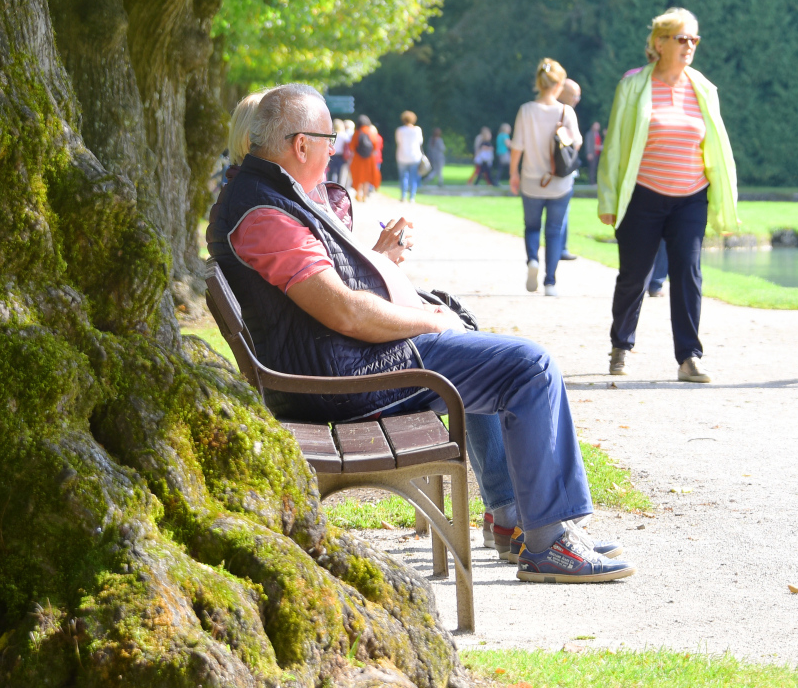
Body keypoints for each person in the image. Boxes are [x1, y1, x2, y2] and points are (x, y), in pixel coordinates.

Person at [207, 84, 634, 582]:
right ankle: (549, 543)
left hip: (342, 363)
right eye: (328, 139)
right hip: (342, 381)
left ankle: (521, 521)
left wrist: (382, 267)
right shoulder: (264, 212)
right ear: (301, 144)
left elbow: (324, 297)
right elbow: (344, 312)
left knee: (484, 349)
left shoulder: (269, 196)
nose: (334, 150)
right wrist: (433, 321)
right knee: (527, 365)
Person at [596, 8, 740, 383]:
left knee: (688, 273)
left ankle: (689, 357)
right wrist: (609, 200)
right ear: (659, 43)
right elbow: (614, 147)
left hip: (691, 197)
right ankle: (621, 346)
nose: (690, 45)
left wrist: (725, 205)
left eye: (695, 39)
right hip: (643, 195)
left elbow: (718, 152)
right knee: (634, 276)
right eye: (682, 39)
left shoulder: (703, 88)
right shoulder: (633, 85)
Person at [510, 60, 582, 297]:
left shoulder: (526, 110)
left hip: (531, 180)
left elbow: (517, 147)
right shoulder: (566, 111)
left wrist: (513, 173)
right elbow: (577, 143)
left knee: (532, 227)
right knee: (554, 231)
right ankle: (550, 283)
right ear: (560, 84)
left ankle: (532, 260)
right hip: (560, 183)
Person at [556, 79, 583, 263]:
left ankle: (558, 248)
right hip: (561, 170)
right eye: (574, 95)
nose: (577, 99)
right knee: (561, 212)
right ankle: (558, 249)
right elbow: (577, 142)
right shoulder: (566, 112)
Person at [347, 112, 384, 202]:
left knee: (358, 176)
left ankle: (358, 194)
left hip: (358, 158)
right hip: (369, 158)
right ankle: (365, 195)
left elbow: (352, 146)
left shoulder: (357, 132)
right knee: (367, 177)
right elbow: (375, 145)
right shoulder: (371, 132)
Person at [395, 111, 425, 204]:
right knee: (413, 177)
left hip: (402, 156)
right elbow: (420, 142)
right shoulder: (417, 130)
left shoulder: (400, 130)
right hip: (414, 156)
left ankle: (403, 196)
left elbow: (398, 141)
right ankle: (412, 197)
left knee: (403, 177)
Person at [326, 116, 352, 188]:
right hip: (341, 156)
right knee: (340, 174)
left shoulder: (332, 135)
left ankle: (330, 187)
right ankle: (339, 188)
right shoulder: (344, 135)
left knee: (331, 172)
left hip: (332, 155)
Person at [424, 127, 447, 192]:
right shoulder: (439, 140)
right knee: (439, 171)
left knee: (436, 170)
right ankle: (440, 182)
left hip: (433, 157)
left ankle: (428, 179)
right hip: (439, 157)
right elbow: (443, 149)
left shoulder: (431, 140)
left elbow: (429, 148)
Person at [583, 119, 604, 185]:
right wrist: (589, 153)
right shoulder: (589, 134)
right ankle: (591, 182)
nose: (597, 127)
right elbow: (588, 144)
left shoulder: (598, 134)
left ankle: (596, 182)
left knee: (597, 168)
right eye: (596, 125)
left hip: (598, 154)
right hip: (592, 153)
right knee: (592, 168)